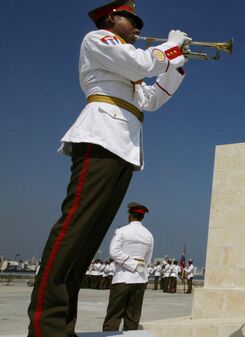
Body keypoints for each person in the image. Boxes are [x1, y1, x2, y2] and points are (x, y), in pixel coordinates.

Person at [26, 1, 190, 336]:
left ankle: (62, 324)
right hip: (100, 135)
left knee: (89, 238)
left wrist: (175, 65)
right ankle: (47, 324)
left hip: (124, 146)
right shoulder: (99, 40)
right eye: (133, 21)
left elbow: (151, 100)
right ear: (112, 17)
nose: (138, 29)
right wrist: (169, 48)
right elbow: (143, 64)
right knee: (74, 228)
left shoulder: (125, 65)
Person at [102, 202, 154, 331]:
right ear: (142, 217)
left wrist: (131, 265)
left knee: (114, 316)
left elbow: (113, 252)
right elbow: (148, 258)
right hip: (140, 279)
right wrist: (138, 267)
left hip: (122, 277)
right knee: (133, 317)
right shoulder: (149, 235)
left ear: (130, 216)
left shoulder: (122, 231)